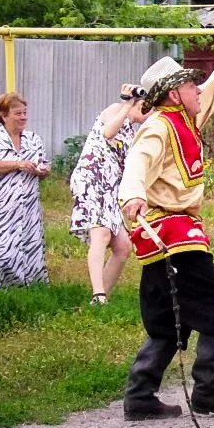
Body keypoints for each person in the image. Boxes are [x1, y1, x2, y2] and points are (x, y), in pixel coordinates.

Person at [118, 34, 214, 420]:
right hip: (174, 236)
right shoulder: (160, 128)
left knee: (166, 320)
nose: (197, 88)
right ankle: (208, 390)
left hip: (164, 237)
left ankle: (140, 395)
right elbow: (137, 163)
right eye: (188, 84)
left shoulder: (186, 118)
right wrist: (132, 195)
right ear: (174, 95)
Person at [69, 84, 147, 303]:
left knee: (123, 246)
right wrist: (127, 104)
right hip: (92, 179)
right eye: (147, 108)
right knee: (101, 233)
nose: (149, 114)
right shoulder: (115, 110)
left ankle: (100, 299)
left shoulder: (133, 133)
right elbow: (108, 132)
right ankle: (98, 293)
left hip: (111, 187)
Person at [0, 93, 49, 290]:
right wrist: (18, 164)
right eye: (18, 113)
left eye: (25, 113)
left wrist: (43, 170)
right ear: (4, 115)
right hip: (1, 206)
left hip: (29, 207)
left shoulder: (33, 140)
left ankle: (28, 290)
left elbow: (44, 166)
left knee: (29, 247)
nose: (23, 117)